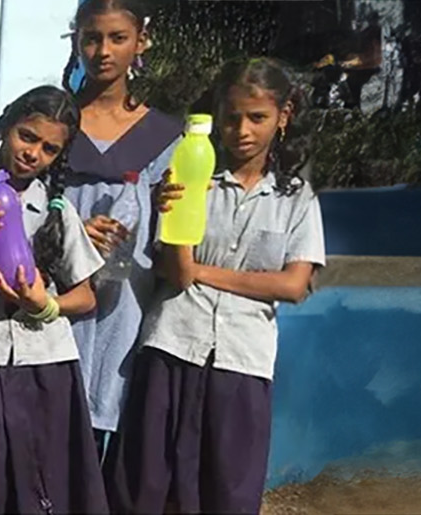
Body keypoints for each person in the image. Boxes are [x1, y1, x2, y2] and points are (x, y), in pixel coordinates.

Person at [106, 57, 326, 515]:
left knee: (228, 490)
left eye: (257, 118)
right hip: (172, 344)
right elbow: (176, 270)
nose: (242, 130)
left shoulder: (296, 200)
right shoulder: (190, 179)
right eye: (232, 118)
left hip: (242, 359)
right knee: (147, 483)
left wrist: (204, 274)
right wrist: (163, 209)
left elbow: (292, 284)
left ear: (283, 117)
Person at [0, 85, 109, 514]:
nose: (34, 153)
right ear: (5, 129)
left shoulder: (57, 210)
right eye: (27, 136)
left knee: (40, 485)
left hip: (43, 365)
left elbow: (86, 296)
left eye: (50, 148)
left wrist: (46, 304)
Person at [65, 0, 184, 451]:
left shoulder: (164, 136)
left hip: (126, 300)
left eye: (118, 38)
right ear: (77, 39)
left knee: (109, 428)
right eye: (92, 38)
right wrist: (72, 228)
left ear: (141, 42)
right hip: (56, 294)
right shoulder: (51, 125)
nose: (103, 51)